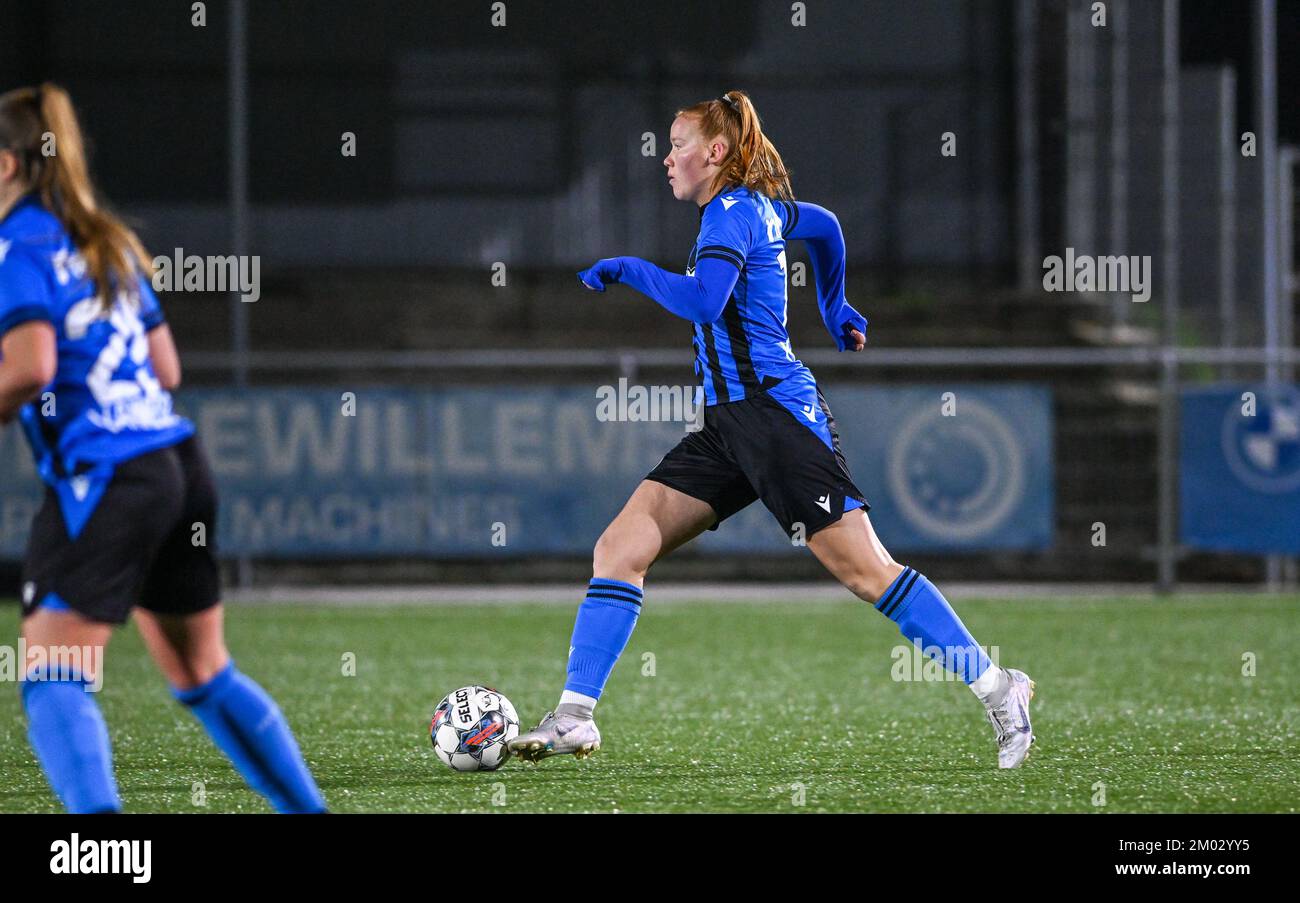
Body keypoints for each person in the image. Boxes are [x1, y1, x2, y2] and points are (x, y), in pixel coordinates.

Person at [509, 90, 1035, 769]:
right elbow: (822, 226)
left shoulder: (729, 214)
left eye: (677, 146)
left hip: (779, 420)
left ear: (716, 153)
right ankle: (575, 715)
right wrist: (836, 301)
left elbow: (704, 299)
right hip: (729, 427)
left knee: (867, 572)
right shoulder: (755, 208)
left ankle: (1000, 688)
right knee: (620, 545)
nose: (666, 159)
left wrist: (628, 269)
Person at [0, 83, 326, 812]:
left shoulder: (18, 244)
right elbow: (168, 369)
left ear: (6, 166)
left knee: (54, 674)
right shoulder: (107, 240)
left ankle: (105, 850)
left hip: (106, 475)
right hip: (177, 464)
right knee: (202, 671)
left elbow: (30, 368)